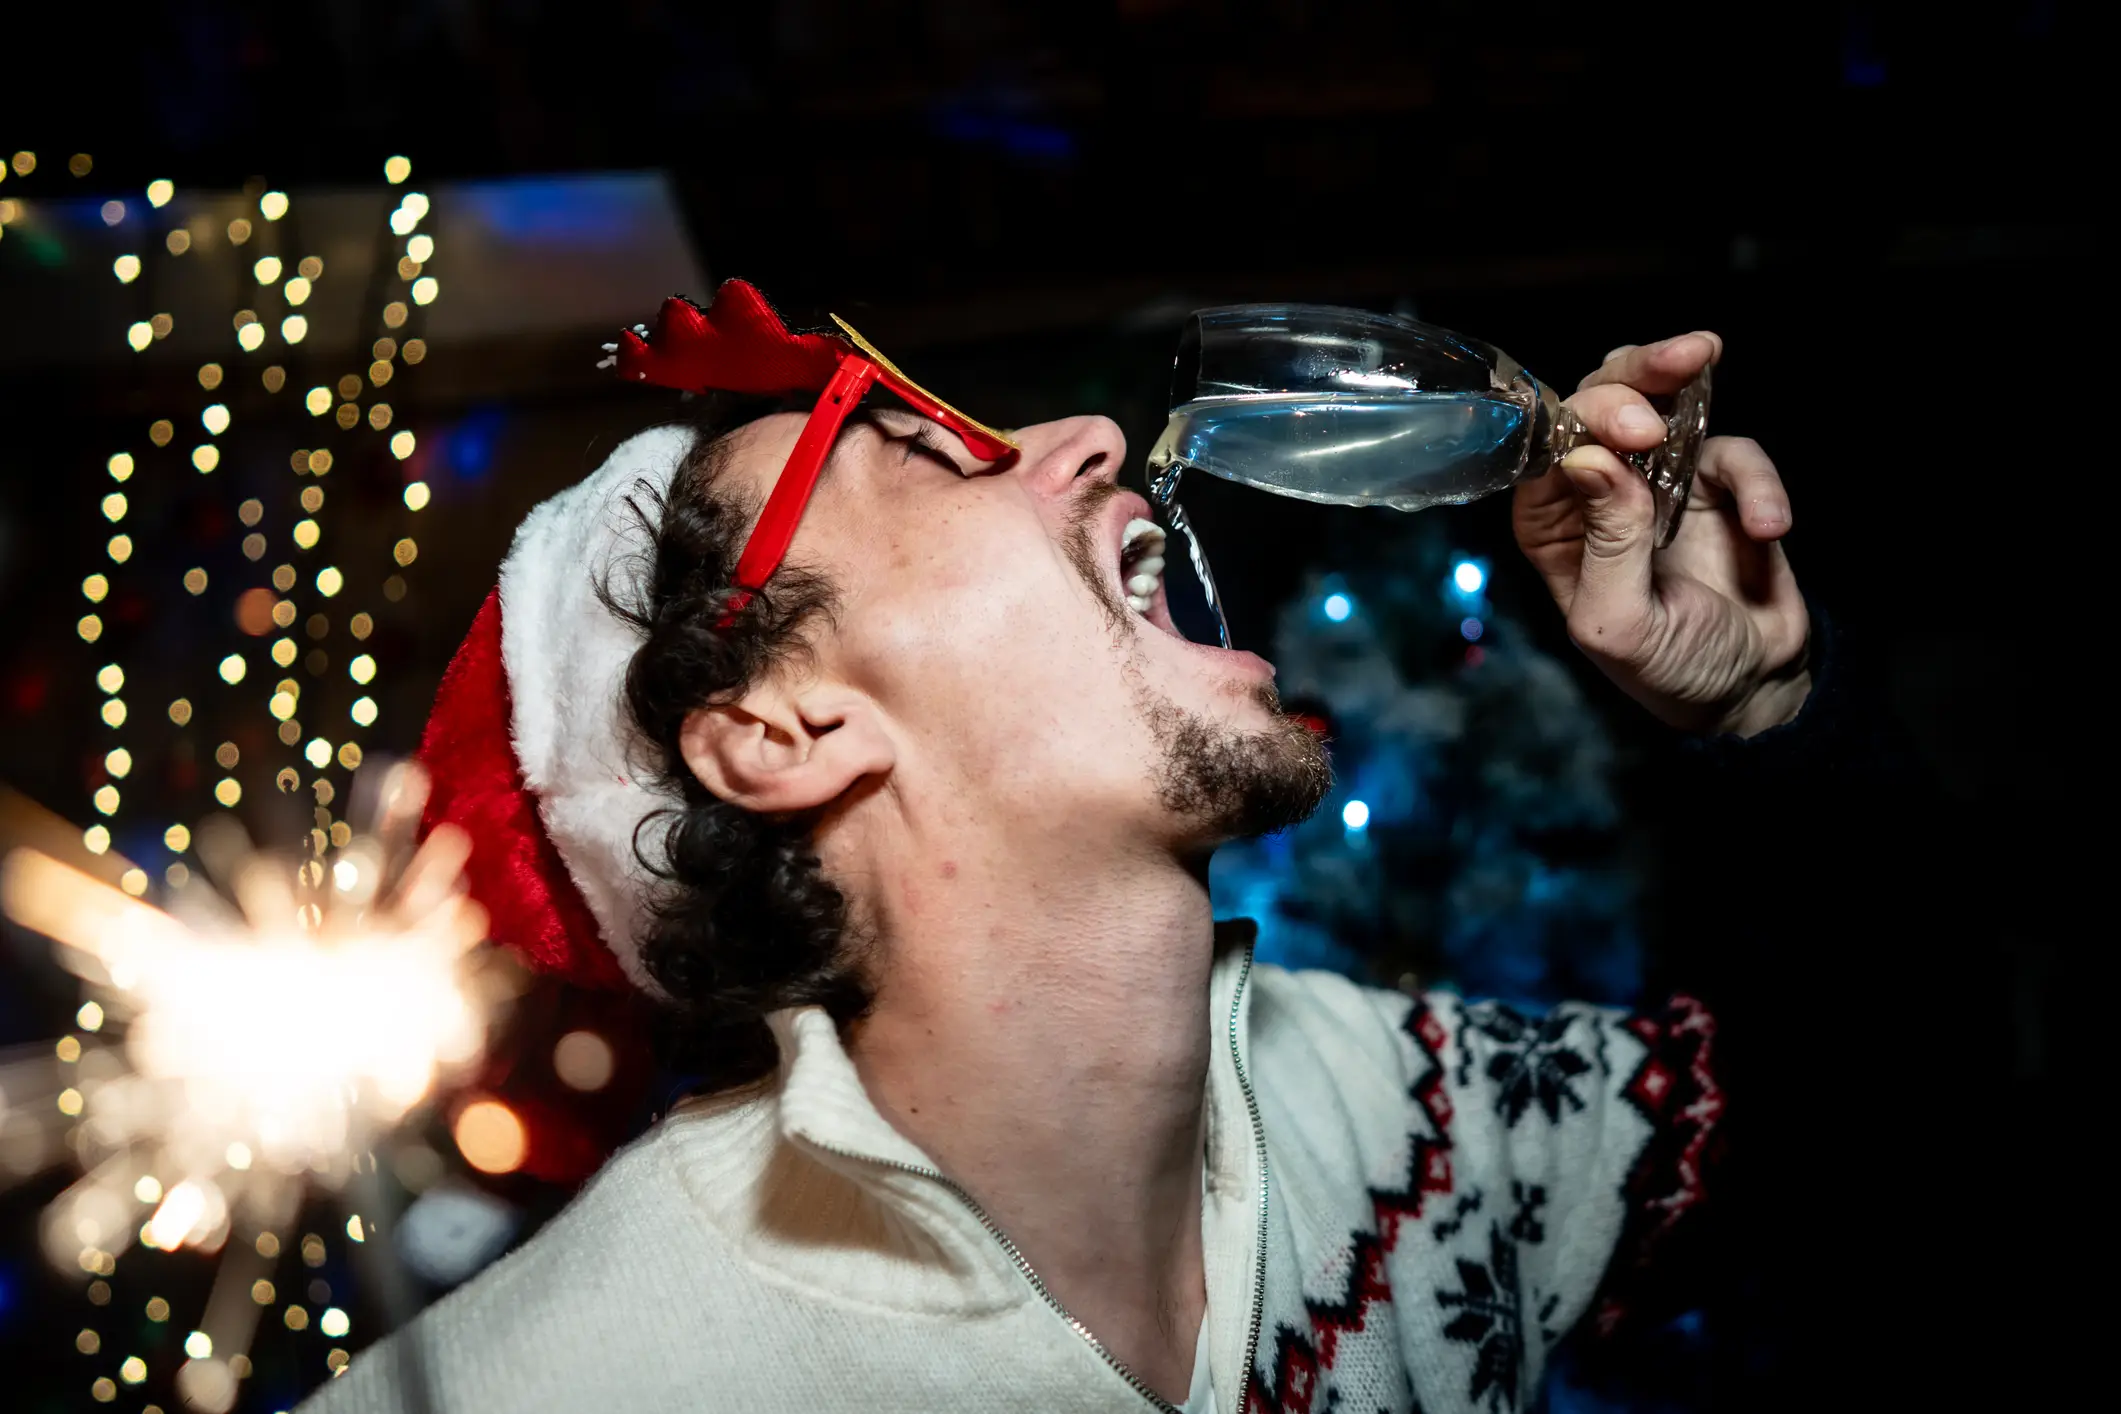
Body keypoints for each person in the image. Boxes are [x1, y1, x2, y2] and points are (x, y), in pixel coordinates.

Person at [304, 283, 1809, 1413]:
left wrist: (1748, 711)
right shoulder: (563, 1381)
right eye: (920, 453)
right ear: (785, 732)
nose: (1087, 437)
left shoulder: (1386, 1113)